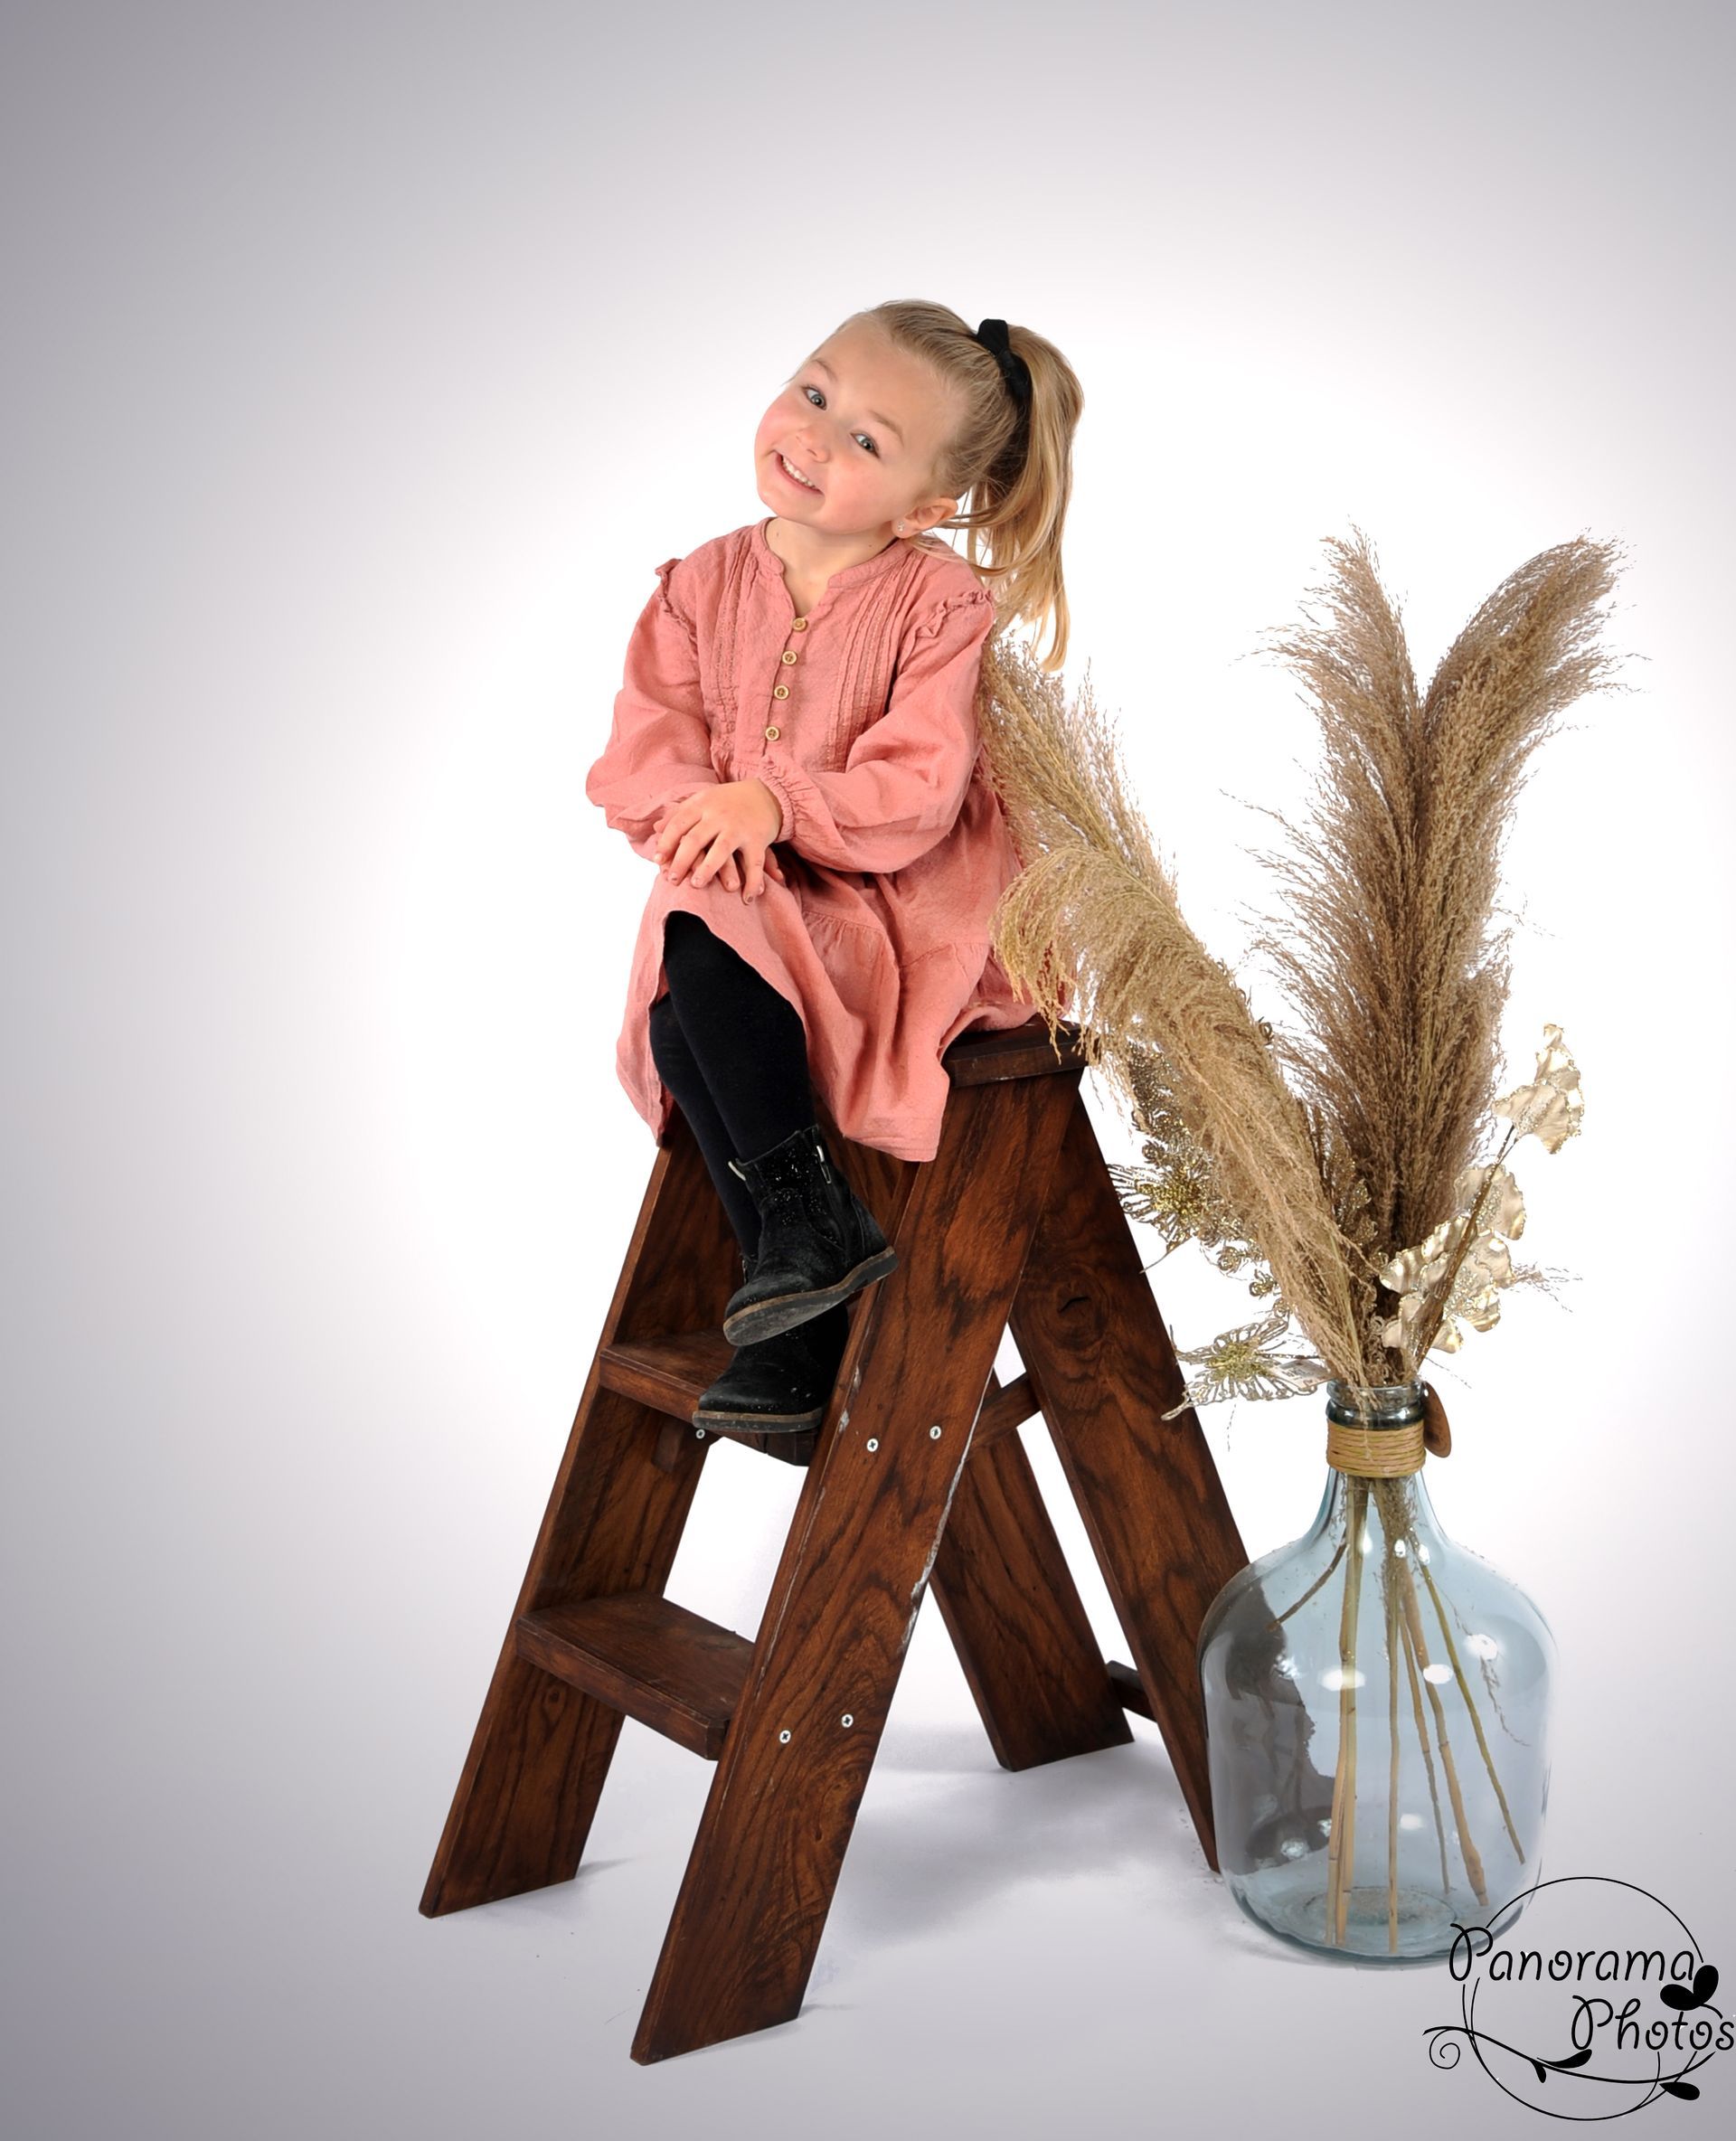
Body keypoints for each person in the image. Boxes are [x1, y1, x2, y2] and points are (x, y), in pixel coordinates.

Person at [584, 301, 1083, 1434]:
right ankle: (805, 1267)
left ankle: (805, 1255)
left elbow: (920, 785)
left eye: (866, 439)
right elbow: (642, 750)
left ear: (928, 506)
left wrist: (777, 802)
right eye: (815, 394)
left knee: (695, 956)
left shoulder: (939, 601)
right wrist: (708, 815)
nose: (816, 436)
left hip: (894, 896)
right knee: (684, 989)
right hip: (748, 894)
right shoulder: (698, 586)